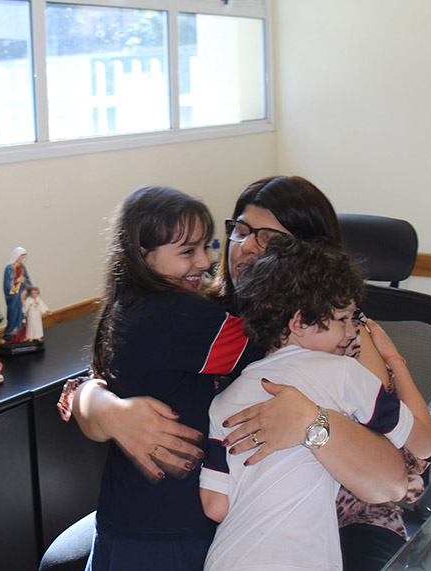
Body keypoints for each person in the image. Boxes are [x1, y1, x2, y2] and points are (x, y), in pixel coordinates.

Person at [48, 177, 412, 570]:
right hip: (198, 526)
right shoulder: (195, 310)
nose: (248, 246)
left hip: (323, 527)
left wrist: (314, 422)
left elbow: (396, 477)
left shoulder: (344, 339)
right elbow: (99, 379)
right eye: (240, 230)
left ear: (310, 259)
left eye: (270, 239)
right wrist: (102, 408)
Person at [200, 237, 431, 571]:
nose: (351, 332)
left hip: (228, 559)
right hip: (301, 560)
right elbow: (424, 443)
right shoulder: (344, 374)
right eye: (344, 319)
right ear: (299, 323)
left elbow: (215, 506)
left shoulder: (224, 401)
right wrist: (393, 359)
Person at [82, 186, 266, 570]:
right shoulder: (178, 314)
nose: (206, 261)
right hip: (170, 526)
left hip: (126, 514)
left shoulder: (127, 305)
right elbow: (265, 344)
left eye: (207, 246)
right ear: (143, 256)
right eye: (188, 251)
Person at [3, 246, 32, 342]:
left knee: (25, 314)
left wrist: (27, 288)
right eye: (21, 257)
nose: (22, 259)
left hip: (23, 293)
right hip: (15, 297)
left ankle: (24, 336)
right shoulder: (9, 268)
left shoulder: (22, 267)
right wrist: (18, 281)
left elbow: (27, 279)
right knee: (15, 315)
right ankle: (13, 337)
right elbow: (8, 285)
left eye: (23, 257)